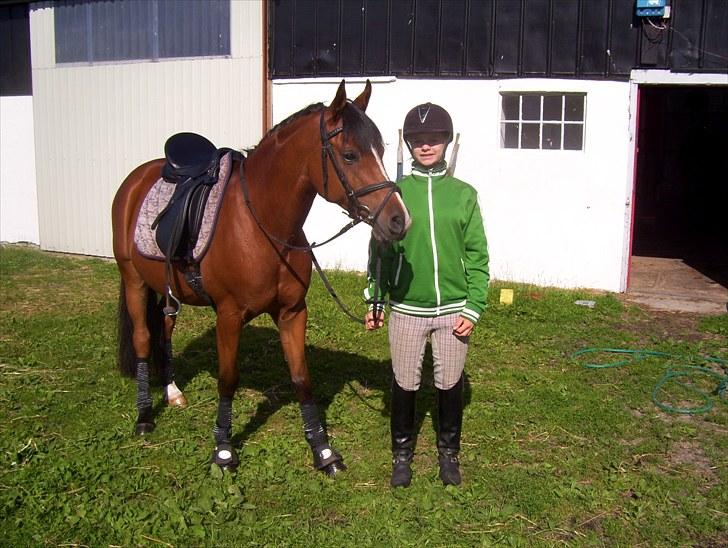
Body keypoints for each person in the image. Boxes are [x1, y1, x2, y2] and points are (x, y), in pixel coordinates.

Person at [364, 102, 489, 487]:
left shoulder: (464, 195)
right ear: (408, 145)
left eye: (433, 139)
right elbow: (378, 253)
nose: (426, 146)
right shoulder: (396, 194)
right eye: (418, 140)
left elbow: (478, 255)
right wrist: (375, 299)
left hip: (454, 311)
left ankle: (449, 454)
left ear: (446, 142)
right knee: (405, 382)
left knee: (449, 383)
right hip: (406, 308)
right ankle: (402, 455)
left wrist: (474, 306)